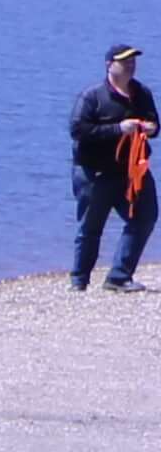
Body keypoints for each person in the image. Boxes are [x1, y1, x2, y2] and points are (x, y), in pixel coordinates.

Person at [78, 47, 157, 294]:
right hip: (96, 173)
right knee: (91, 227)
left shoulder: (141, 93)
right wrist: (118, 129)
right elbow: (79, 130)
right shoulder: (92, 96)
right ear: (109, 65)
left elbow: (155, 123)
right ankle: (79, 281)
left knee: (145, 217)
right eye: (124, 62)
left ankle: (119, 276)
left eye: (133, 62)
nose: (130, 65)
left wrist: (150, 128)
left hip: (134, 171)